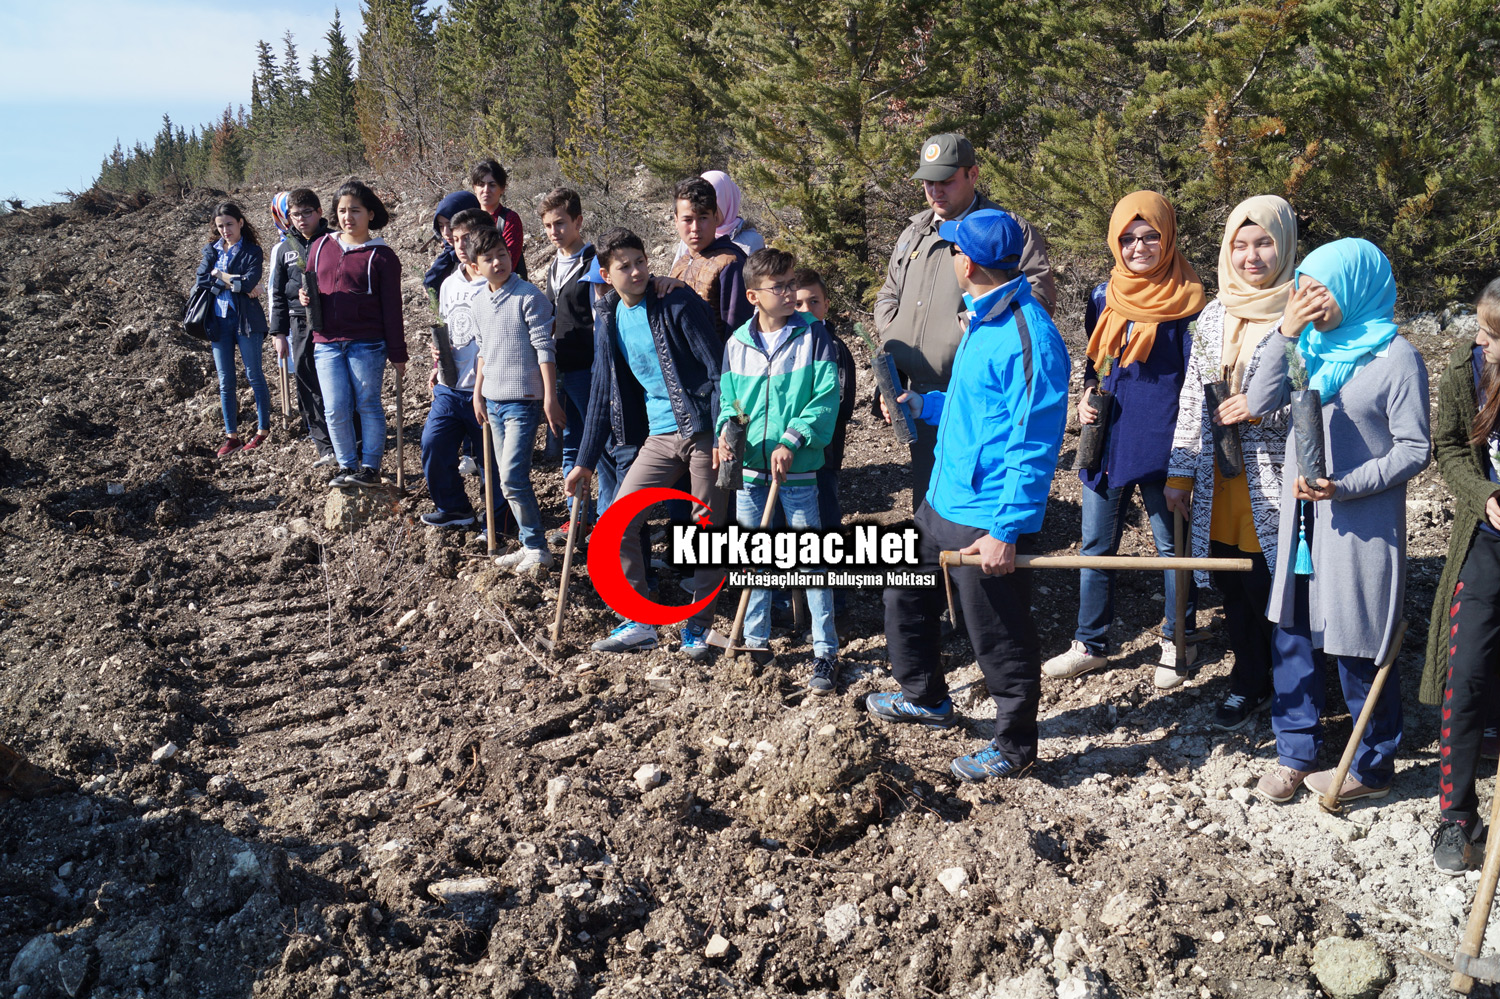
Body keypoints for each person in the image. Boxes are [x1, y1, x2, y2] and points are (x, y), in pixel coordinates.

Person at [869, 209, 1069, 782]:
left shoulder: (1030, 336)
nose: (951, 256)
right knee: (904, 595)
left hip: (985, 516)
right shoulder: (982, 316)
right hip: (941, 499)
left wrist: (1005, 530)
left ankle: (1015, 746)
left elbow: (1034, 445)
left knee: (998, 634)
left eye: (954, 250)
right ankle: (926, 696)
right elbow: (972, 405)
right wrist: (924, 405)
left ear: (969, 263)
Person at [1246, 238, 1430, 805]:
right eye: (1304, 287)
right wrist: (1284, 333)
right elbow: (1258, 400)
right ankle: (1294, 753)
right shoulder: (1308, 348)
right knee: (1293, 631)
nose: (1311, 299)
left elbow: (1415, 448)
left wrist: (1346, 485)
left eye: (1322, 288)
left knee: (1358, 638)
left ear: (1356, 288)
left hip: (1360, 524)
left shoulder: (1396, 358)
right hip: (1304, 519)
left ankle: (1372, 766)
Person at [1042, 191, 1205, 688]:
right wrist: (1086, 395)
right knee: (1096, 544)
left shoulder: (1190, 302)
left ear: (1168, 236)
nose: (1139, 247)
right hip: (1107, 437)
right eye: (1128, 238)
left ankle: (1179, 640)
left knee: (1171, 547)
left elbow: (1197, 381)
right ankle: (1089, 643)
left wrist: (1188, 453)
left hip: (1163, 440)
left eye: (1150, 236)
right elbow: (1096, 362)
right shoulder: (1104, 295)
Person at [1164, 196, 1298, 730]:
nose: (1251, 257)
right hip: (1219, 479)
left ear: (1284, 245)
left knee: (1273, 588)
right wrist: (1179, 473)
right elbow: (1192, 399)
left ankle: (1294, 691)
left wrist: (1260, 409)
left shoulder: (1301, 315)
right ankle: (1249, 682)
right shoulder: (1214, 315)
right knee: (1233, 588)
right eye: (1240, 245)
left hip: (1274, 480)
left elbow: (1312, 399)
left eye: (1264, 243)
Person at [874, 132, 1056, 514]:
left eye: (946, 180)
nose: (935, 191)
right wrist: (893, 332)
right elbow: (889, 292)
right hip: (919, 393)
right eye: (928, 182)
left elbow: (1036, 298)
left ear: (972, 174)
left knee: (977, 494)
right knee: (929, 495)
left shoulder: (1004, 228)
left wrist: (976, 328)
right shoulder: (914, 232)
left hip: (976, 390)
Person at [565, 228, 727, 657]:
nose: (637, 271)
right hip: (659, 435)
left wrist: (723, 432)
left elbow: (718, 368)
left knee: (706, 526)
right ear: (605, 274)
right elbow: (601, 390)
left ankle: (698, 625)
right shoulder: (609, 317)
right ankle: (639, 622)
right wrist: (584, 460)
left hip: (703, 429)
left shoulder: (675, 302)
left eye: (641, 261)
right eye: (625, 266)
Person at [715, 248, 842, 690]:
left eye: (792, 283)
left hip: (798, 469)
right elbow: (729, 401)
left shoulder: (814, 337)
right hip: (751, 472)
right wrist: (726, 432)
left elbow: (825, 398)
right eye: (780, 286)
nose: (790, 293)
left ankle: (825, 650)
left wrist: (793, 439)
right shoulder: (736, 344)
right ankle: (755, 642)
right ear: (753, 296)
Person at [1423, 279, 1500, 871]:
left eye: (1492, 333)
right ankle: (1456, 815)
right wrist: (1484, 494)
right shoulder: (1465, 369)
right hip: (1486, 536)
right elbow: (1448, 447)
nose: (1480, 341)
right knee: (1465, 669)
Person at [467, 226, 563, 572]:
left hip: (523, 401)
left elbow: (545, 349)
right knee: (507, 479)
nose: (498, 262)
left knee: (512, 476)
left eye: (503, 255)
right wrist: (477, 393)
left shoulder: (529, 296)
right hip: (492, 401)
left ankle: (537, 547)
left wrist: (549, 397)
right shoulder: (479, 302)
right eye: (489, 258)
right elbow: (483, 351)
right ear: (475, 267)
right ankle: (528, 543)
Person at [301, 178, 407, 488]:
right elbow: (309, 285)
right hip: (326, 342)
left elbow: (393, 308)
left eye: (356, 210)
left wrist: (398, 353)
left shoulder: (383, 257)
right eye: (342, 211)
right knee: (334, 408)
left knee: (367, 405)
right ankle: (347, 465)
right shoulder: (320, 246)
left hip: (367, 344)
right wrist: (305, 297)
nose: (348, 217)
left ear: (370, 214)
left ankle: (370, 468)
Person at [419, 211, 500, 529]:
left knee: (491, 462)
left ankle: (498, 522)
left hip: (488, 389)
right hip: (450, 387)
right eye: (455, 239)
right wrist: (437, 359)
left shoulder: (496, 282)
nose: (461, 245)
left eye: (467, 237)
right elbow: (449, 329)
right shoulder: (448, 283)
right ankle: (454, 507)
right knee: (433, 443)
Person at [537, 187, 599, 533]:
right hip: (561, 368)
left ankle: (610, 516)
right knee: (570, 441)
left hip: (588, 368)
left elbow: (601, 318)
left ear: (578, 221)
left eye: (560, 223)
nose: (554, 231)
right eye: (548, 225)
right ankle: (577, 516)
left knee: (600, 446)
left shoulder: (593, 263)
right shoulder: (553, 266)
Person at [195, 201, 274, 457]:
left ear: (240, 222)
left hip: (247, 321)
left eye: (229, 224)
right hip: (218, 322)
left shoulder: (253, 251)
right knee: (225, 381)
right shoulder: (211, 249)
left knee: (254, 375)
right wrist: (236, 283)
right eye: (220, 226)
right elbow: (201, 279)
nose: (225, 230)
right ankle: (232, 437)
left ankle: (263, 430)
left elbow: (250, 282)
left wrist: (219, 275)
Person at [268, 188, 341, 467]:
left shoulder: (334, 240)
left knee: (336, 381)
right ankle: (324, 446)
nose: (301, 219)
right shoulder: (284, 248)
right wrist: (278, 333)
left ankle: (350, 440)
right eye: (295, 215)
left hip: (332, 321)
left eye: (306, 213)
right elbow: (277, 293)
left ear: (319, 212)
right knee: (307, 381)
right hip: (299, 323)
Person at [793, 269, 858, 533]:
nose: (806, 309)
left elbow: (841, 403)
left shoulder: (834, 347)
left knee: (824, 504)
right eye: (798, 303)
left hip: (823, 449)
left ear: (827, 305)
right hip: (789, 447)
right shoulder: (787, 344)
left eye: (814, 302)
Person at [668, 176, 752, 342]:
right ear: (676, 220)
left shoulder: (730, 263)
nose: (695, 228)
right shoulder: (681, 263)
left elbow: (737, 333)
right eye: (687, 219)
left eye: (703, 218)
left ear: (716, 218)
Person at [671, 170, 765, 265]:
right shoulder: (692, 237)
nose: (695, 227)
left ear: (727, 200)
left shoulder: (751, 241)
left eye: (712, 204)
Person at [470, 159, 527, 281]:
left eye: (492, 185)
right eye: (481, 185)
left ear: (502, 188)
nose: (486, 190)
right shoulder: (469, 220)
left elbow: (509, 262)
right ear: (474, 188)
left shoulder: (510, 220)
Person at [424, 190, 483, 300]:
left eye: (450, 224)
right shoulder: (448, 257)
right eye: (441, 226)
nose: (446, 232)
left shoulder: (487, 258)